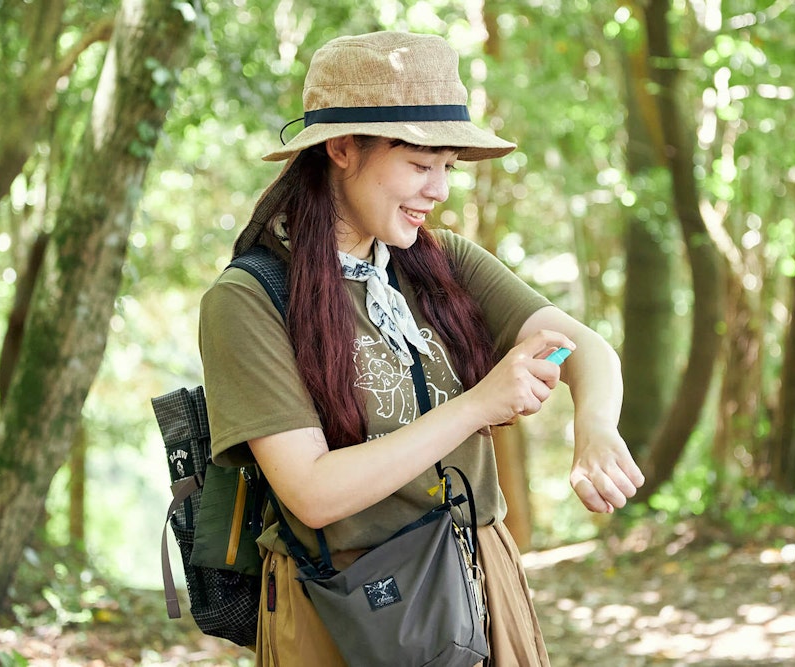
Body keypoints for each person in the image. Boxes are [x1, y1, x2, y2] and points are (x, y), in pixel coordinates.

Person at [199, 30, 645, 666]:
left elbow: (580, 348)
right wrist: (475, 406)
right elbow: (312, 491)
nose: (438, 190)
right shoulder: (250, 299)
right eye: (418, 164)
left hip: (477, 580)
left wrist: (594, 428)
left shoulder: (441, 263)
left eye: (447, 168)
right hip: (345, 609)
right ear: (343, 148)